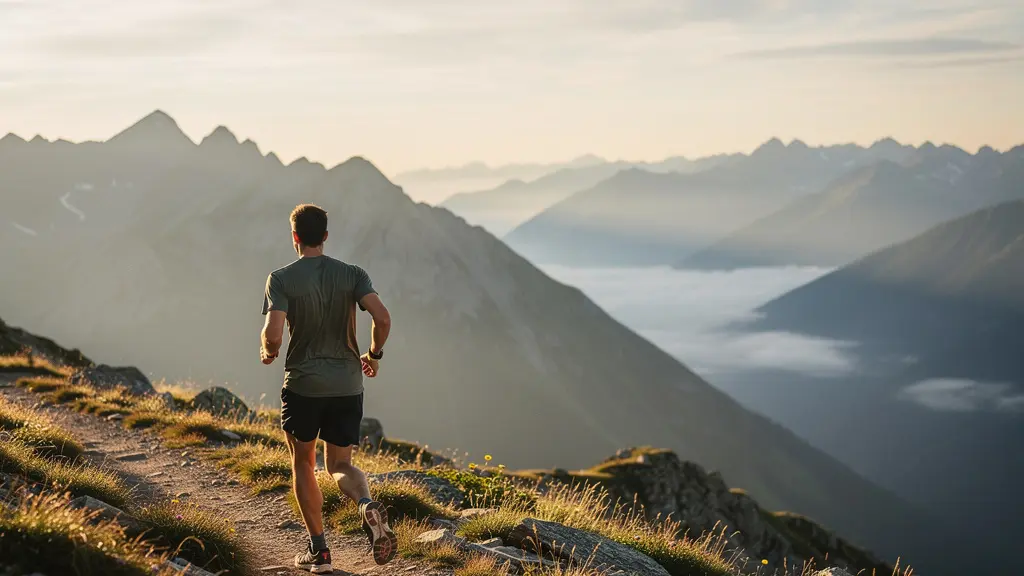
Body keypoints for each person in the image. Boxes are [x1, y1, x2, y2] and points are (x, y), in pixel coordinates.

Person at [259, 203, 397, 573]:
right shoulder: (353, 274)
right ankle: (366, 503)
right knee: (340, 464)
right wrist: (374, 353)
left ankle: (318, 552)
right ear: (325, 236)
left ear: (294, 238)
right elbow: (382, 317)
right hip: (347, 385)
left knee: (303, 462)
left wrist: (269, 351)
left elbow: (273, 334)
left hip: (304, 386)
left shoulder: (281, 279)